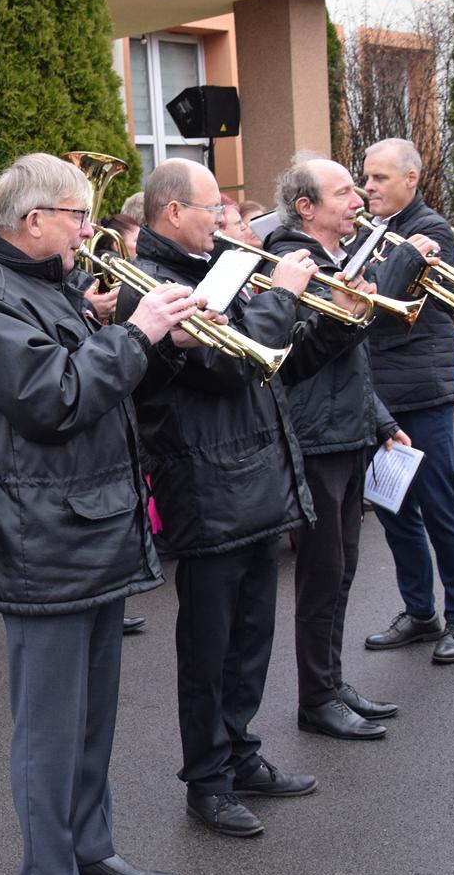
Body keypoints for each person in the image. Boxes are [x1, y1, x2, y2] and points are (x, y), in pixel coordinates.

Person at [0, 152, 199, 875]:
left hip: (83, 526)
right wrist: (138, 335)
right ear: (33, 221)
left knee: (92, 717)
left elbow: (81, 380)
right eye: (80, 215)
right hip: (40, 539)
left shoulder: (42, 283)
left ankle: (90, 849)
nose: (91, 230)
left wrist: (131, 329)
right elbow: (50, 400)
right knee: (50, 726)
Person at [123, 159, 361, 840]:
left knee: (251, 636)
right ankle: (207, 780)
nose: (230, 222)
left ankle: (241, 753)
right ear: (172, 212)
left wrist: (340, 318)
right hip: (205, 485)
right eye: (215, 211)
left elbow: (278, 364)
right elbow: (230, 366)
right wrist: (283, 294)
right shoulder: (159, 285)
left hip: (254, 477)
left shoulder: (214, 271)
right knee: (208, 648)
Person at [264, 156, 408, 742]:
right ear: (306, 208)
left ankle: (332, 681)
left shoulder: (332, 262)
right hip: (316, 439)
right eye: (343, 192)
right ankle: (316, 697)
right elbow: (294, 362)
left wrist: (381, 423)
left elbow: (352, 366)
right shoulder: (286, 263)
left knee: (343, 569)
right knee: (322, 574)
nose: (357, 199)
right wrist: (346, 318)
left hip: (347, 433)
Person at [360, 137, 454, 664]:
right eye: (365, 178)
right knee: (394, 511)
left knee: (438, 509)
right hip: (382, 394)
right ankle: (420, 613)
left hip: (423, 393)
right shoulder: (377, 232)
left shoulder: (430, 231)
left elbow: (383, 302)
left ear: (411, 180)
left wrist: (371, 270)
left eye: (379, 178)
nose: (368, 188)